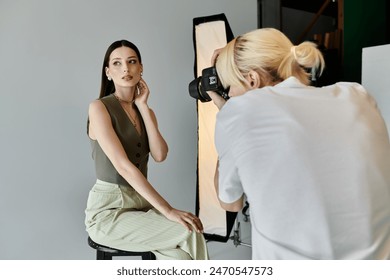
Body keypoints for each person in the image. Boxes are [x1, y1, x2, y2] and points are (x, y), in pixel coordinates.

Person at [208, 28, 390, 259]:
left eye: (230, 86)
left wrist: (226, 116)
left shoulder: (239, 112)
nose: (230, 94)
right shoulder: (356, 95)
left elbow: (230, 203)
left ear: (252, 79)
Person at [85, 40, 208, 260]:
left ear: (140, 68)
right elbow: (124, 167)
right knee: (188, 231)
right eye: (117, 63)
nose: (125, 68)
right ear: (108, 72)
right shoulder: (99, 108)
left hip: (140, 206)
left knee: (182, 258)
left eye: (132, 62)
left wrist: (143, 106)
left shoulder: (145, 111)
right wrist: (168, 210)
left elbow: (160, 154)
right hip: (109, 211)